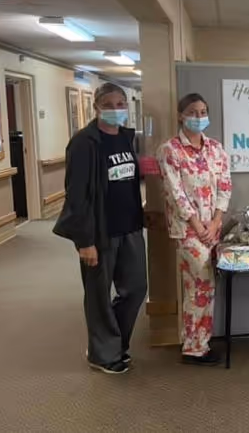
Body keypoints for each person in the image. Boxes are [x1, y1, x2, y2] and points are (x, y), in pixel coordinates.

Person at [53, 82, 146, 375]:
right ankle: (103, 354)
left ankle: (112, 343)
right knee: (98, 294)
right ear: (96, 107)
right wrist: (84, 241)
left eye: (121, 104)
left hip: (130, 228)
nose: (116, 110)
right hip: (99, 233)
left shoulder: (127, 138)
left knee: (136, 289)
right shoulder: (84, 142)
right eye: (109, 105)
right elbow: (77, 195)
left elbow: (130, 183)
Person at [158, 93, 232, 365]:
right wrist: (198, 226)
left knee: (206, 286)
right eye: (192, 112)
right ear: (181, 115)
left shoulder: (216, 148)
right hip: (188, 230)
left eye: (203, 112)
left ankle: (199, 343)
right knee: (200, 285)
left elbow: (224, 185)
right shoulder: (170, 150)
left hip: (212, 227)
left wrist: (215, 221)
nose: (198, 117)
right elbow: (175, 194)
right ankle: (195, 348)